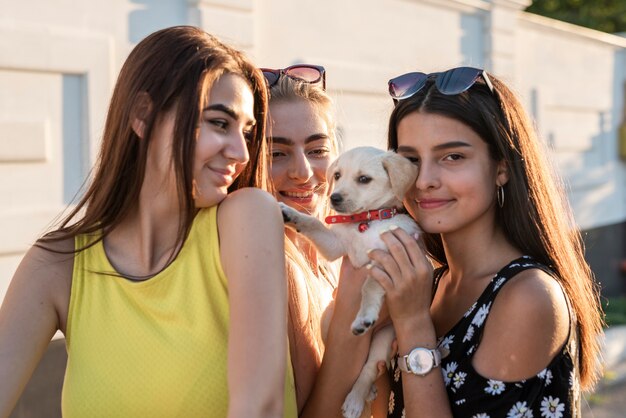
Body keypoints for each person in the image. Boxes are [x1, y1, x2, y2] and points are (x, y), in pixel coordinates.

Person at [0, 26, 296, 418]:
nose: (241, 152)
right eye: (219, 123)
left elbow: (259, 408)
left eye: (246, 131)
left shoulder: (246, 218)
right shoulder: (57, 264)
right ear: (143, 115)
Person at [366, 67, 604, 417]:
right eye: (411, 160)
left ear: (501, 168)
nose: (425, 180)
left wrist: (414, 326)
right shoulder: (427, 284)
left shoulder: (527, 296)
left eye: (453, 157)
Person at [262, 66, 383, 418]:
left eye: (317, 150)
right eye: (276, 154)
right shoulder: (277, 266)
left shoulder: (331, 249)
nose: (303, 171)